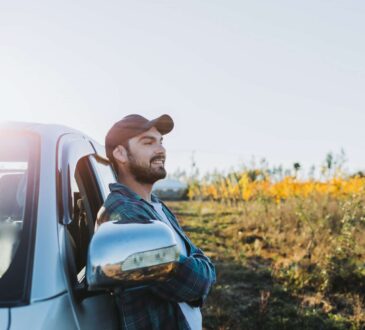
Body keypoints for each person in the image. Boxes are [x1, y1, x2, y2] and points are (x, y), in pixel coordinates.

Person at [97, 114, 216, 330]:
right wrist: (203, 267)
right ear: (120, 153)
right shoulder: (123, 215)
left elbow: (193, 258)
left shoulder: (155, 205)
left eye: (161, 142)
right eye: (148, 142)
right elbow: (192, 283)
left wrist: (199, 264)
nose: (161, 150)